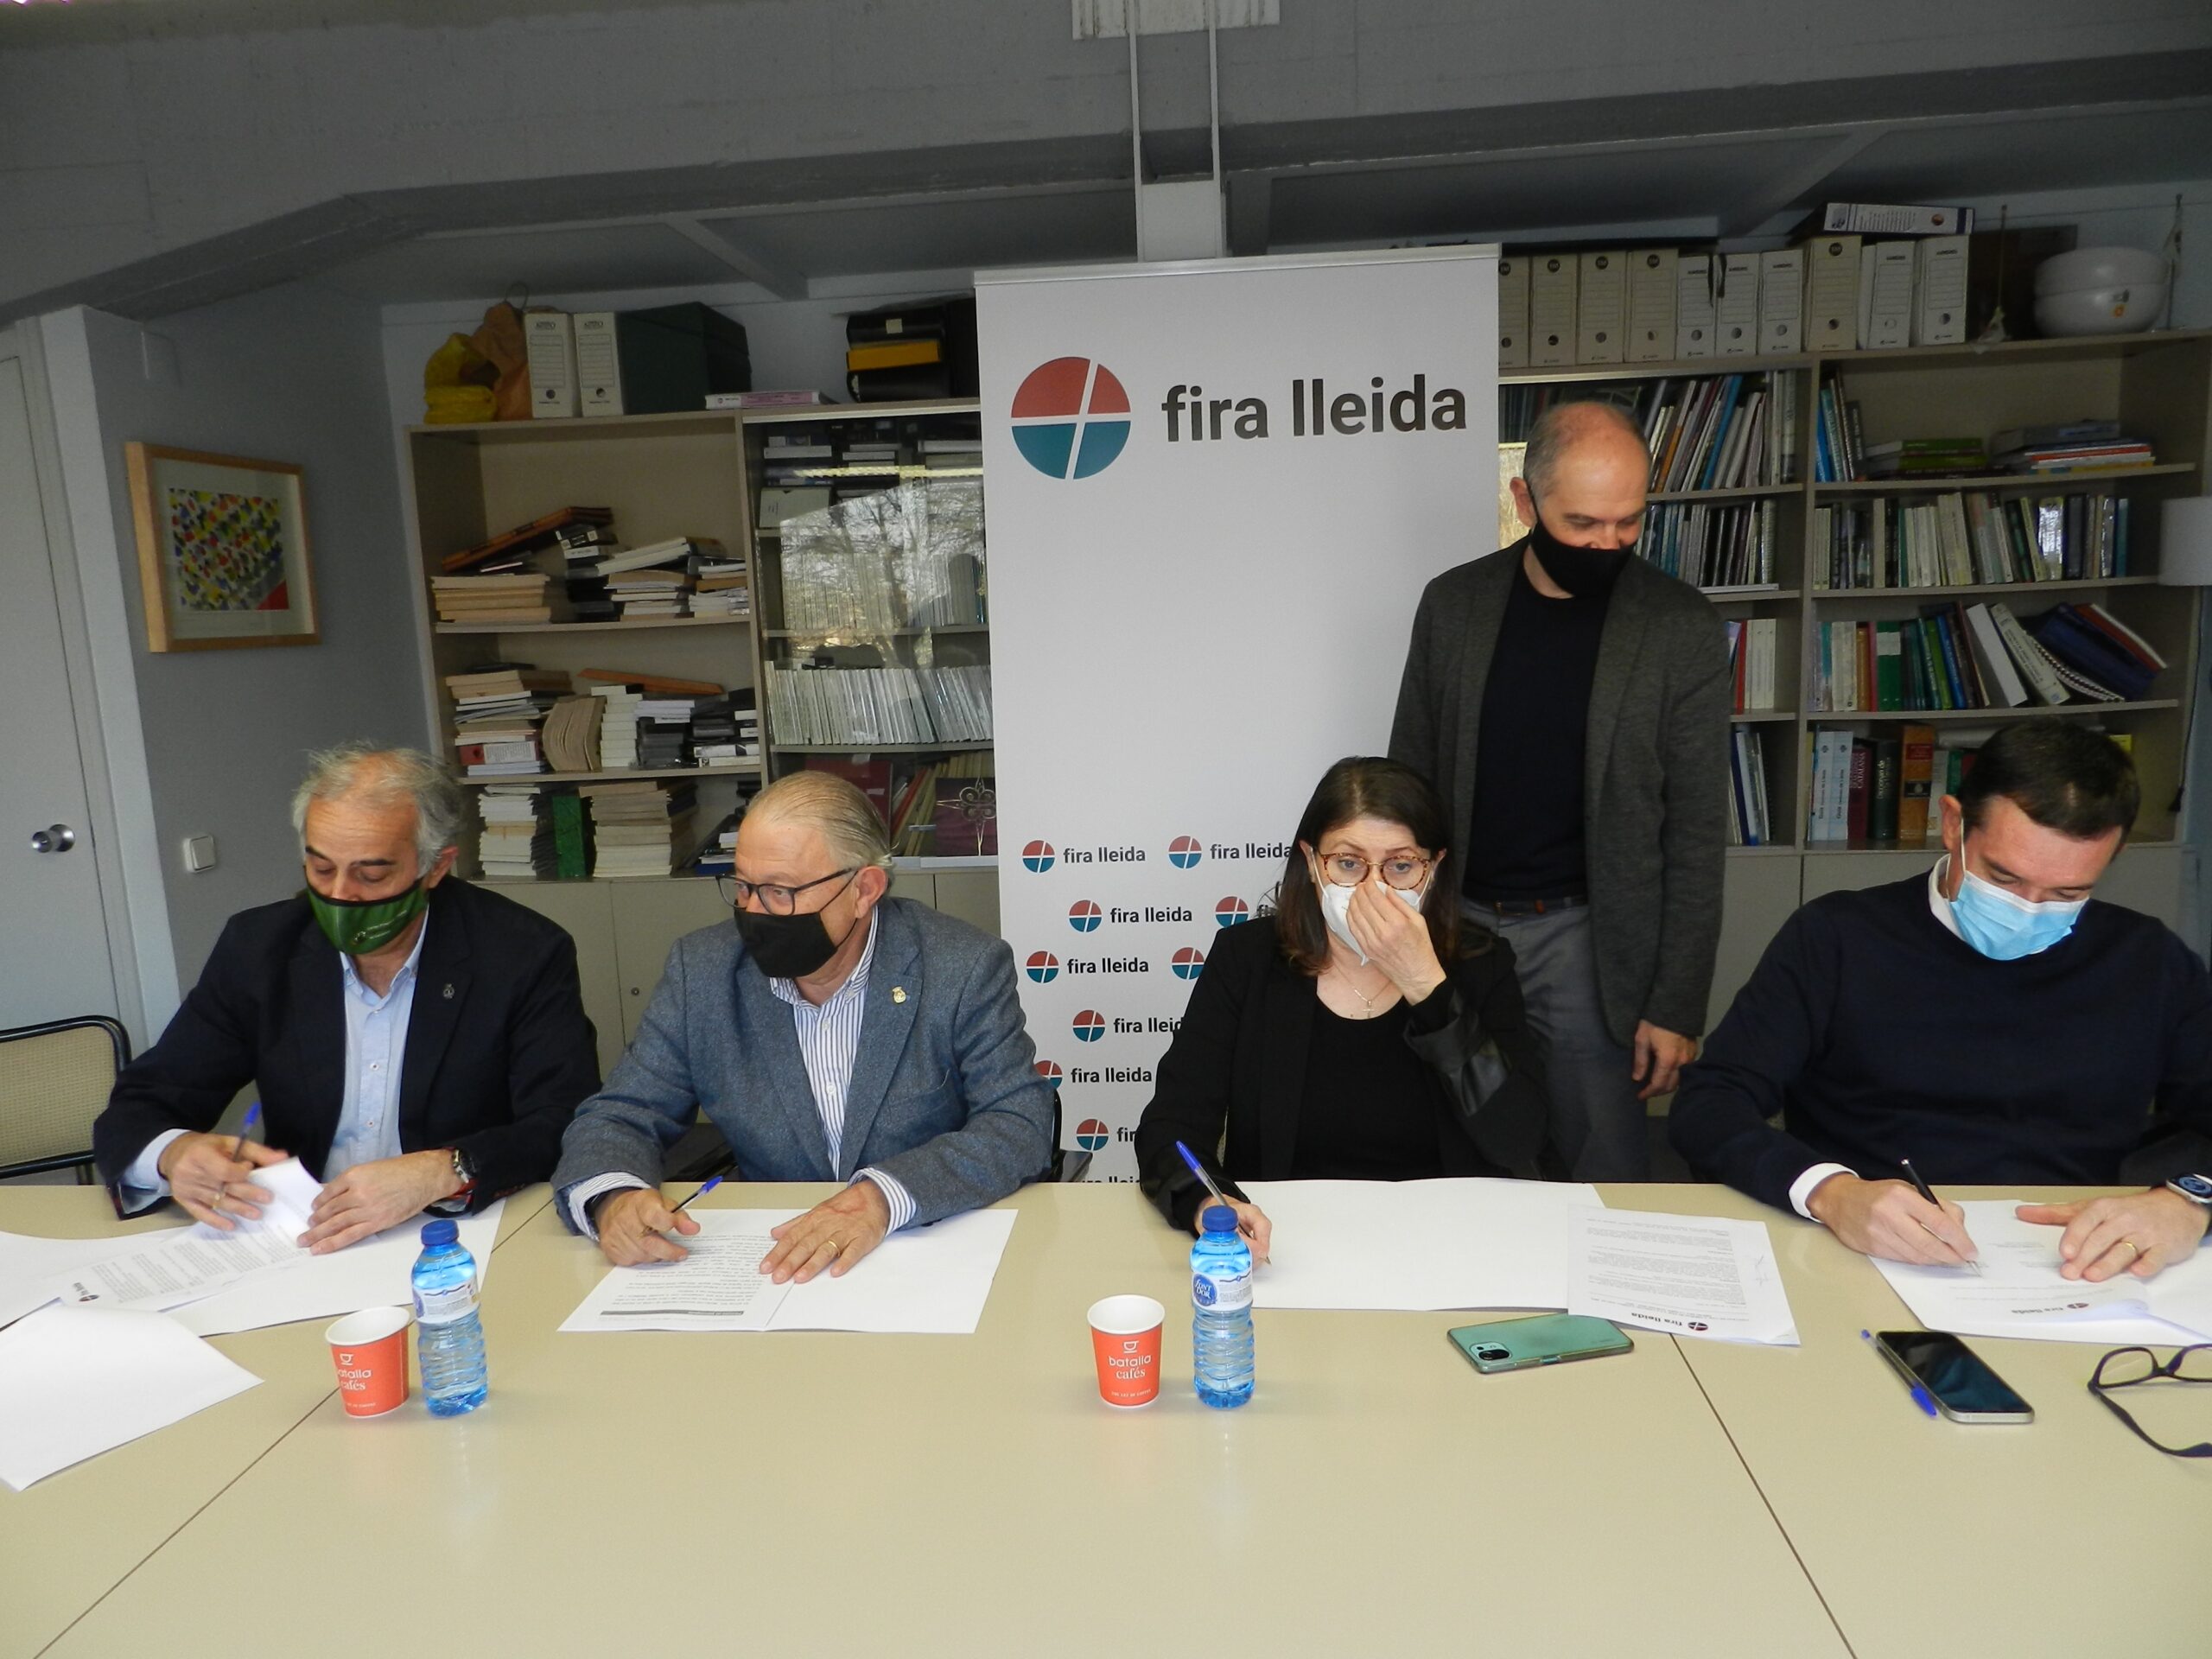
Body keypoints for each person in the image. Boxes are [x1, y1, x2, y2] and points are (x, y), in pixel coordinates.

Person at [1670, 720, 2212, 1282]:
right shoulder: (1839, 938)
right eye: (2004, 878)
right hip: (1862, 1251)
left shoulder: (2149, 960)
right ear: (1954, 825)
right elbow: (1710, 1103)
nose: (2028, 910)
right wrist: (1828, 1192)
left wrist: (2191, 1201)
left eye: (2067, 893)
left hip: (2079, 1262)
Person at [1389, 399, 1729, 1181]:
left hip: (1592, 942)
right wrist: (1402, 930)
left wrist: (1675, 1006)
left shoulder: (1679, 627)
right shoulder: (1454, 606)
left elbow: (1697, 834)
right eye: (1582, 522)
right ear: (1524, 500)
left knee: (1600, 1166)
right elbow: (1408, 779)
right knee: (1457, 1149)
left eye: (1628, 521)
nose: (1607, 543)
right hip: (1458, 929)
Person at [93, 744, 599, 1252]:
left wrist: (446, 1168)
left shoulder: (521, 953)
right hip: (303, 1237)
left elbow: (564, 1119)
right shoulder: (259, 949)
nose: (340, 895)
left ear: (435, 868)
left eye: (370, 875)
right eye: (320, 868)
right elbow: (145, 1102)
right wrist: (173, 1153)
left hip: (459, 1233)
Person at [553, 771, 1053, 1281]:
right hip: (774, 1262)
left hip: (927, 1251)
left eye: (780, 891)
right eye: (743, 886)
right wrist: (613, 1198)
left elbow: (1018, 1121)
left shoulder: (961, 967)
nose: (754, 911)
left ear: (864, 889)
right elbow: (621, 1114)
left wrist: (884, 1197)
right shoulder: (703, 972)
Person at [1135, 757, 1548, 1258]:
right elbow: (1170, 1127)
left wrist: (1426, 984)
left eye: (1400, 866)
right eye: (1349, 864)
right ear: (1312, 863)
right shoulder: (1247, 959)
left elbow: (1519, 1138)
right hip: (1289, 1244)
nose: (1373, 890)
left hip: (1446, 1244)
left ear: (1433, 868)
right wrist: (1207, 1204)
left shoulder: (1481, 964)